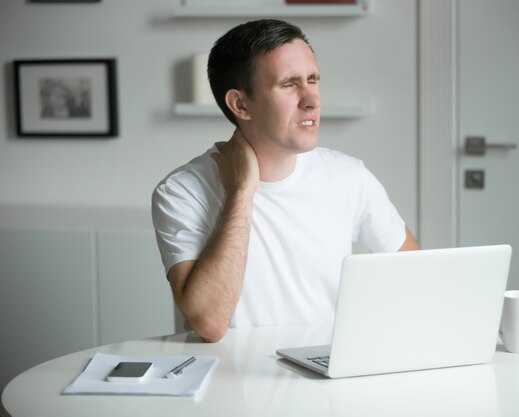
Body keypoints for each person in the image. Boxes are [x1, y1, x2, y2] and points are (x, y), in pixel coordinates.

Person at [152, 19, 419, 343]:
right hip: (228, 382)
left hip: (327, 375)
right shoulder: (181, 192)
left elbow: (413, 271)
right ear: (240, 104)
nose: (312, 100)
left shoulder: (350, 177)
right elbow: (209, 323)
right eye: (289, 84)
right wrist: (242, 190)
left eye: (312, 80)